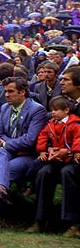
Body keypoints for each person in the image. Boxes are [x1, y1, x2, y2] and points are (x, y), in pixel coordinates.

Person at [0, 77, 47, 228]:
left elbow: (30, 139)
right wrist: (7, 145)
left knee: (2, 169)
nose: (7, 95)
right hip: (9, 152)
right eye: (5, 91)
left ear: (23, 92)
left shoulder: (37, 110)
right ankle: (1, 189)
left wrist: (7, 144)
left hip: (27, 155)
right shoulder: (5, 108)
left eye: (11, 91)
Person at [30, 96, 80, 236]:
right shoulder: (51, 124)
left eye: (56, 110)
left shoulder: (74, 124)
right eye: (51, 110)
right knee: (43, 173)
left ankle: (72, 221)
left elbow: (78, 138)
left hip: (70, 160)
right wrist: (43, 149)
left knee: (67, 173)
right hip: (56, 159)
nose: (52, 113)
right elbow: (43, 136)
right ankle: (40, 219)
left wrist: (75, 152)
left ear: (66, 110)